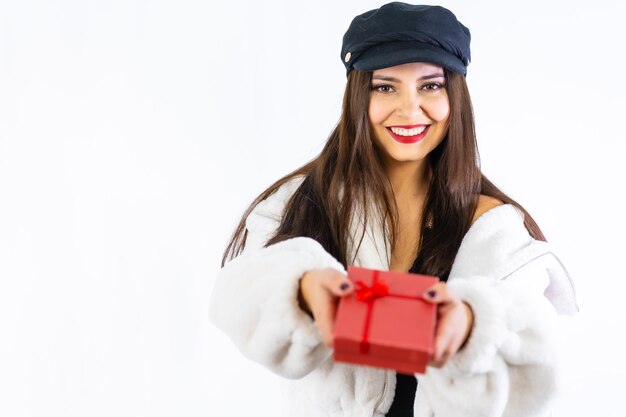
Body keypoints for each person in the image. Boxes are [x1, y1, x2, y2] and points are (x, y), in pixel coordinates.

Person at [209, 3, 577, 416]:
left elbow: (536, 358)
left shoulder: (493, 227)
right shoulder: (303, 202)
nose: (408, 108)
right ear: (357, 95)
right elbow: (238, 294)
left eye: (430, 86)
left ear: (455, 94)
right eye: (384, 87)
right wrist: (304, 291)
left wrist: (473, 325)